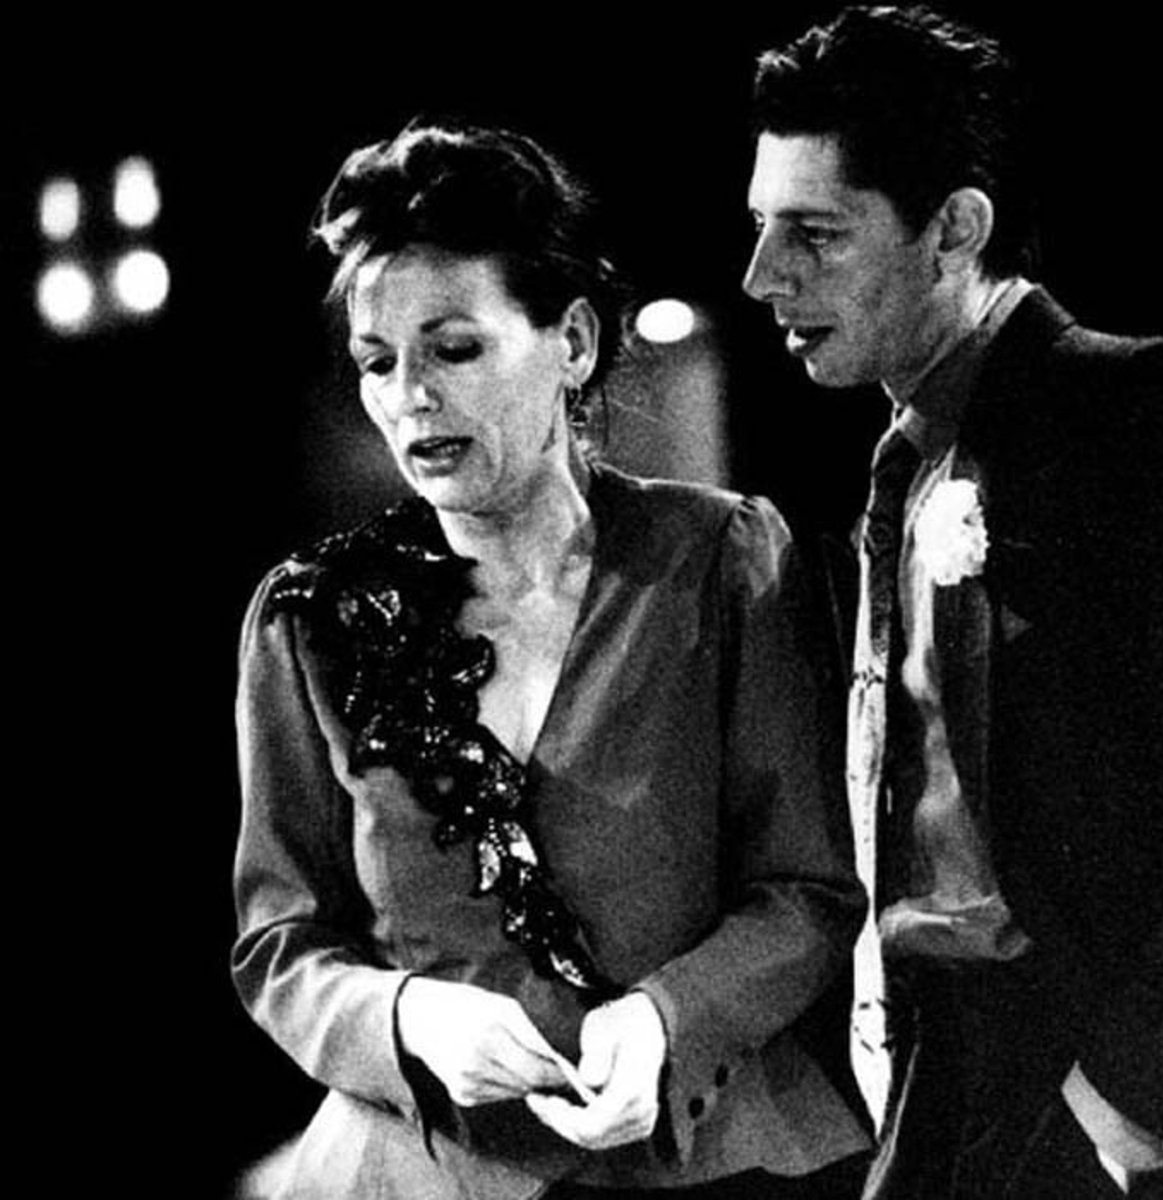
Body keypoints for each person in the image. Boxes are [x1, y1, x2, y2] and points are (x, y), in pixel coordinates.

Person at [232, 118, 871, 1199]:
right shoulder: (312, 620)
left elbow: (805, 890)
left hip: (710, 1155)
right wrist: (406, 1017)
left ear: (572, 341)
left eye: (454, 349)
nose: (410, 396)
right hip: (420, 1171)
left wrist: (669, 1021)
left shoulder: (721, 561)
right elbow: (281, 941)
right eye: (378, 362)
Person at [741, 6, 1163, 1199]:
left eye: (814, 233)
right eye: (760, 227)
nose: (762, 276)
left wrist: (1136, 1095)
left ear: (955, 229)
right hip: (931, 1063)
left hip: (1077, 1077)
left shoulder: (1137, 415)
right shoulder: (893, 460)